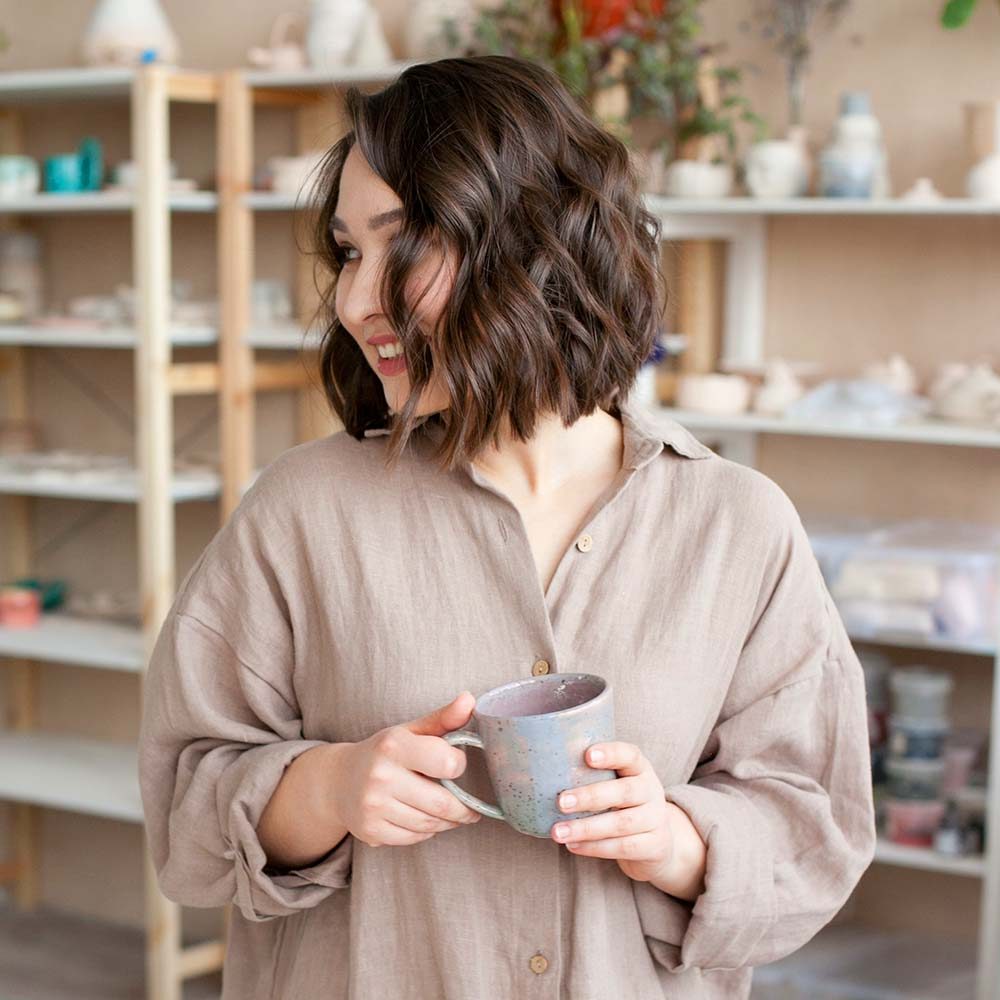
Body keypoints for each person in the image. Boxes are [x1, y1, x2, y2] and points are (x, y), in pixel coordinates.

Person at [138, 55, 876, 1000]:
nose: (360, 302)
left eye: (401, 244)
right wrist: (329, 789)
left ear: (533, 244)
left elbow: (812, 825)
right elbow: (184, 810)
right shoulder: (300, 512)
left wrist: (674, 840)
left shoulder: (736, 526)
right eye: (349, 253)